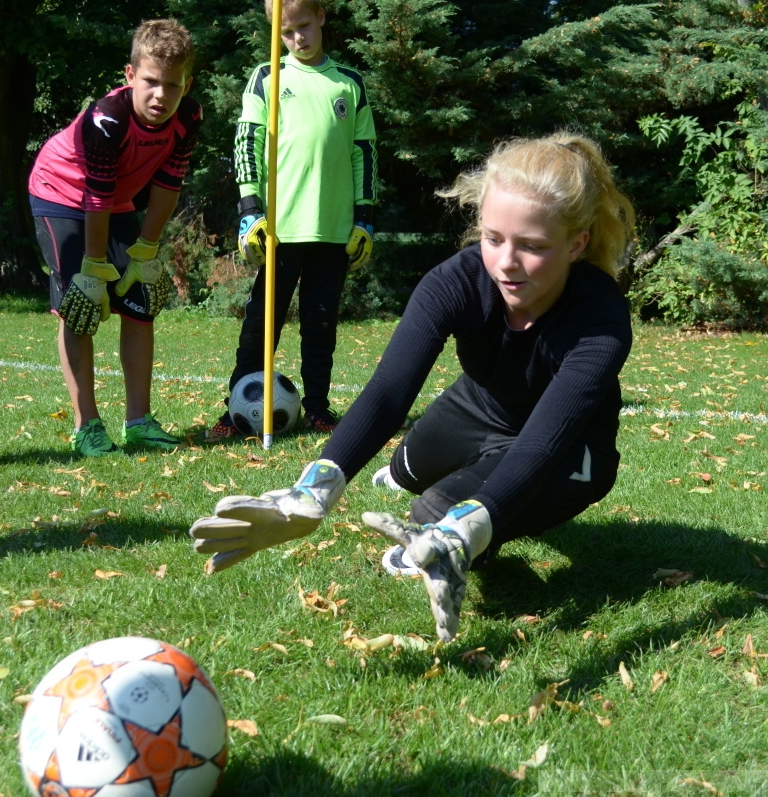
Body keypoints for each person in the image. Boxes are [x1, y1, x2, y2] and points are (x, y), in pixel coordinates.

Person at [191, 131, 636, 642]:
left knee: (434, 515)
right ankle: (420, 481)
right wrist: (315, 490)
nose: (506, 263)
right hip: (481, 405)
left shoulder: (600, 320)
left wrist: (467, 526)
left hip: (570, 446)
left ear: (576, 244)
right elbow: (387, 392)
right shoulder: (457, 280)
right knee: (405, 470)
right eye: (493, 238)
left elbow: (543, 441)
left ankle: (455, 527)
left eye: (532, 247)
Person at [205, 0, 378, 440]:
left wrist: (365, 219)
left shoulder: (349, 83)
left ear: (321, 16)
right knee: (260, 327)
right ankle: (236, 410)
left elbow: (365, 155)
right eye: (286, 32)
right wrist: (250, 212)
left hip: (333, 231)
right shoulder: (267, 77)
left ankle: (318, 408)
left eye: (304, 26)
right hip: (279, 232)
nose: (297, 38)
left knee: (321, 327)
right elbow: (247, 143)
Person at [29, 18, 201, 457]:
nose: (161, 95)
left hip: (113, 201)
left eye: (173, 85)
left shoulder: (189, 115)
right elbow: (95, 196)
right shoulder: (107, 118)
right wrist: (93, 266)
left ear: (187, 83)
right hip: (62, 192)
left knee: (140, 300)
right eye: (150, 81)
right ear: (130, 76)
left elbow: (168, 185)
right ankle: (87, 426)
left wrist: (146, 250)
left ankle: (139, 423)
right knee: (81, 305)